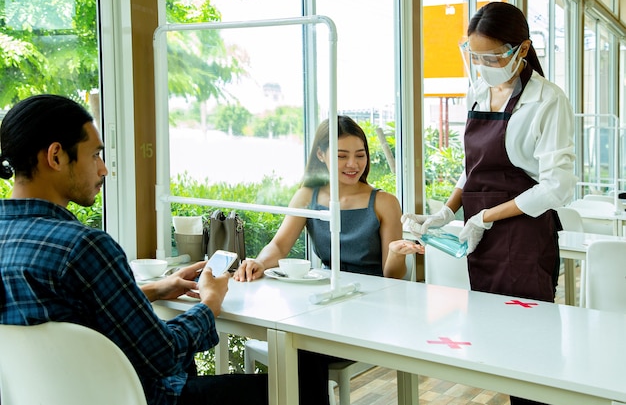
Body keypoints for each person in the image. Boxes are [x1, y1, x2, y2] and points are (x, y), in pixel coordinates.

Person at [0, 94, 268, 405]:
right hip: (138, 399)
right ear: (56, 156)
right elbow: (161, 354)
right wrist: (210, 302)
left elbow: (67, 318)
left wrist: (153, 289)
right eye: (95, 156)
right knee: (303, 379)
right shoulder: (84, 247)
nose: (103, 170)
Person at [403, 2, 576, 405]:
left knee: (531, 350)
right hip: (484, 242)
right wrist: (447, 211)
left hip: (525, 238)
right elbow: (475, 169)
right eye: (475, 56)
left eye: (493, 56)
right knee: (497, 343)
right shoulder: (478, 92)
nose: (484, 65)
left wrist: (485, 215)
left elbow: (557, 187)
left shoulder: (548, 100)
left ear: (522, 49)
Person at [234, 115, 423, 405]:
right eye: (341, 155)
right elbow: (280, 245)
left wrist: (397, 253)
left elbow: (392, 277)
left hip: (372, 308)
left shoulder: (384, 201)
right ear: (321, 155)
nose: (353, 164)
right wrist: (258, 263)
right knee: (296, 340)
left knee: (303, 348)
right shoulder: (307, 196)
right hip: (328, 302)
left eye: (360, 155)